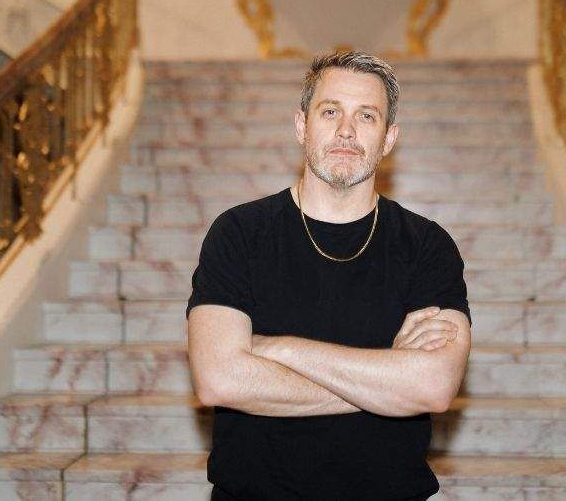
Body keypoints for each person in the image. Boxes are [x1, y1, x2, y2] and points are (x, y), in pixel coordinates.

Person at [185, 51, 473, 500]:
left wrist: (275, 348)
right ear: (302, 125)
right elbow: (219, 379)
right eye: (331, 111)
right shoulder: (239, 233)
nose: (346, 130)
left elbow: (433, 388)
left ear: (389, 138)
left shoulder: (427, 246)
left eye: (367, 116)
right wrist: (386, 384)